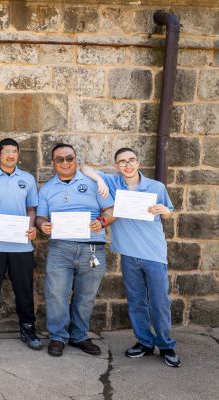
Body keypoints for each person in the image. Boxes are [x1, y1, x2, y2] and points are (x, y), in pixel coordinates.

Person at [81, 148, 180, 367]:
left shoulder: (156, 187)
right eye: (122, 162)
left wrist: (164, 209)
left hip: (153, 253)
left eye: (131, 160)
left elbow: (169, 212)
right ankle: (145, 342)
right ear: (116, 166)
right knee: (136, 301)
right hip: (128, 253)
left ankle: (165, 345)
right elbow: (84, 168)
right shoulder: (113, 182)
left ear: (138, 162)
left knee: (159, 301)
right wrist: (99, 180)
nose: (127, 165)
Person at [35, 143, 113, 358]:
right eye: (59, 159)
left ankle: (79, 335)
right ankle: (58, 336)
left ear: (76, 160)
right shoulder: (48, 188)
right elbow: (41, 217)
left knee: (86, 295)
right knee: (56, 293)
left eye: (69, 158)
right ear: (53, 163)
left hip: (92, 247)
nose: (65, 162)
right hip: (60, 247)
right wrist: (42, 225)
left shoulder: (93, 182)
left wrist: (103, 221)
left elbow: (110, 209)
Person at [0, 138, 41, 350]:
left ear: (18, 155)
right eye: (7, 151)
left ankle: (28, 328)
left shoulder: (28, 179)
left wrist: (31, 228)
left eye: (14, 152)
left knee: (24, 288)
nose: (11, 155)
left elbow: (31, 209)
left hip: (21, 246)